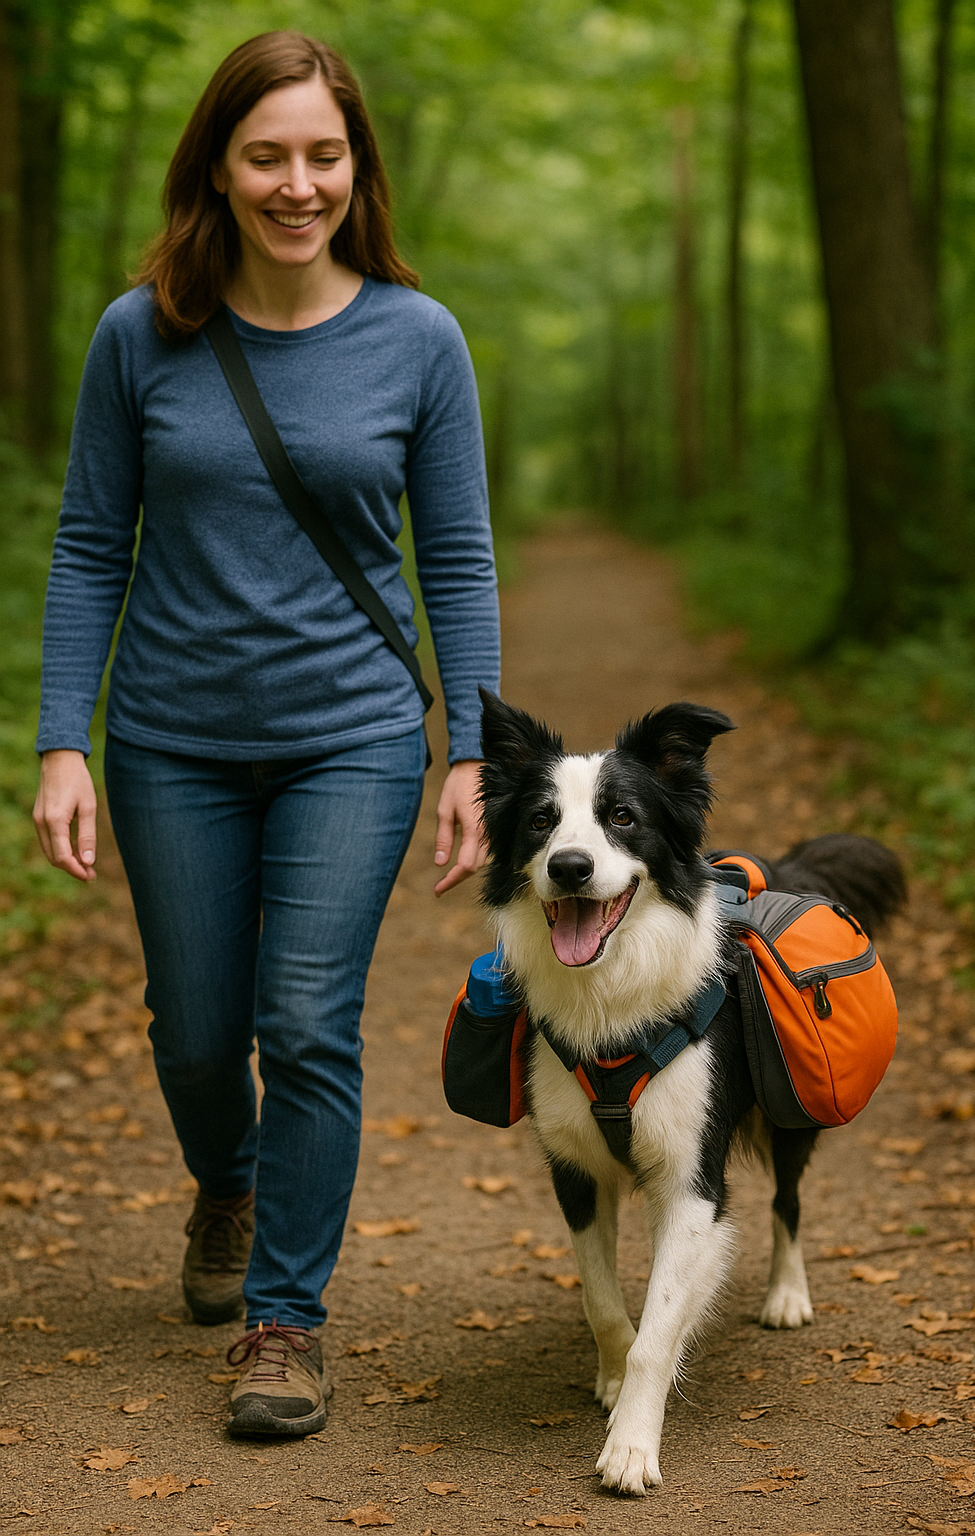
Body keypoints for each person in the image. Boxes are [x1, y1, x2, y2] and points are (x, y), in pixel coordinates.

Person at [32, 30, 500, 1440]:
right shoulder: (142, 333)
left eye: (324, 155)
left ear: (358, 166)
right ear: (219, 168)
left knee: (304, 1022)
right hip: (169, 738)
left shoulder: (420, 340)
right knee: (194, 1034)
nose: (299, 185)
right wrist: (64, 738)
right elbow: (87, 547)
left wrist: (473, 753)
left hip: (350, 738)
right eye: (268, 156)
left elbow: (460, 562)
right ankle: (227, 1184)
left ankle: (284, 1320)